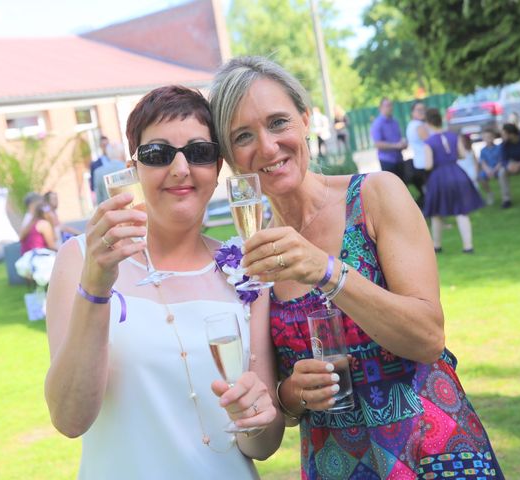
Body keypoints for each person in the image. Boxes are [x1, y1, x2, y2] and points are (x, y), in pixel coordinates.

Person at [210, 56, 503, 479]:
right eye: (243, 136)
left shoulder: (374, 196)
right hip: (338, 464)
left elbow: (427, 338)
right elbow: (272, 421)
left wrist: (326, 271)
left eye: (278, 123)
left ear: (306, 119)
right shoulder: (252, 260)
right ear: (232, 158)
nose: (268, 147)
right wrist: (292, 394)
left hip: (432, 451)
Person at [44, 85, 284, 479]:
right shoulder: (80, 259)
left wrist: (256, 416)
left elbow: (262, 444)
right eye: (158, 154)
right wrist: (97, 286)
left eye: (198, 152)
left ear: (218, 166)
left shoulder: (245, 270)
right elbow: (69, 419)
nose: (180, 169)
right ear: (133, 167)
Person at [423, 108, 484, 253]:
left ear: (428, 122)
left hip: (439, 177)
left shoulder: (428, 142)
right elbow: (462, 154)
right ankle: (468, 246)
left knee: (436, 213)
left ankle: (436, 246)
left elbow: (428, 165)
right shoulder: (453, 136)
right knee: (461, 212)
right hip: (457, 173)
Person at [370, 97, 407, 179]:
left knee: (403, 185)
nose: (390, 108)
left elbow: (399, 138)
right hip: (387, 161)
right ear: (380, 108)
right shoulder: (377, 124)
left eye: (391, 105)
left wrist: (403, 143)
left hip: (399, 159)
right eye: (387, 105)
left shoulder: (395, 121)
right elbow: (378, 144)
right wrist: (396, 146)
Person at [405, 100, 429, 206]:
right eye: (419, 110)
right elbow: (430, 142)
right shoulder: (418, 125)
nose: (422, 112)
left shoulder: (412, 124)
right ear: (412, 112)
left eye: (424, 109)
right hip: (425, 162)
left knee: (427, 191)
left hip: (419, 162)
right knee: (430, 191)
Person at [478, 129, 502, 206]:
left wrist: (494, 170)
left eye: (489, 137)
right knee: (481, 177)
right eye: (486, 137)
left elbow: (501, 161)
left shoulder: (499, 148)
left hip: (498, 168)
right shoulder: (483, 151)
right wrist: (488, 171)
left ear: (493, 137)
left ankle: (505, 194)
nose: (488, 139)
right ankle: (489, 193)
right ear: (483, 139)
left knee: (502, 174)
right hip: (488, 170)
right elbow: (483, 162)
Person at [89, 134, 110, 199]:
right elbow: (93, 186)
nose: (106, 147)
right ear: (100, 146)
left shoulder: (117, 160)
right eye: (104, 145)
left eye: (107, 145)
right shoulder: (95, 165)